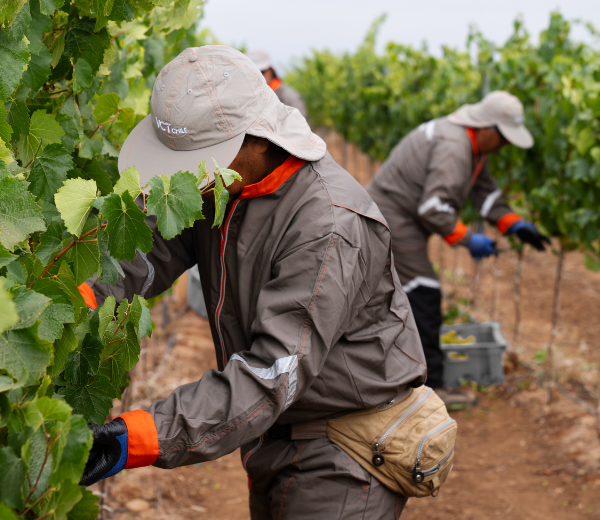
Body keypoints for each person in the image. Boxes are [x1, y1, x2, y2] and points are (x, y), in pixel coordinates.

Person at [78, 45, 426, 519]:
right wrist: (79, 299)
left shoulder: (329, 224)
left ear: (260, 138)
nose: (193, 177)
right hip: (278, 434)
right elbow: (152, 248)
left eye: (206, 160)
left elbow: (271, 373)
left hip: (346, 447)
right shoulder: (222, 185)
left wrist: (135, 437)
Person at [365, 91, 550, 407]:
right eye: (504, 138)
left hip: (401, 216)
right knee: (423, 291)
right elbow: (433, 207)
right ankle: (431, 387)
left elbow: (484, 192)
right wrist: (467, 239)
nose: (505, 146)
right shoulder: (455, 147)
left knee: (405, 293)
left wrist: (512, 223)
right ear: (488, 128)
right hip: (391, 218)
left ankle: (402, 373)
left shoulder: (472, 146)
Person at [247, 49, 308, 118]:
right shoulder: (248, 98)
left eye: (261, 72)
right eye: (252, 73)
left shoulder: (290, 98)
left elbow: (300, 126)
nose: (257, 76)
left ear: (271, 71)